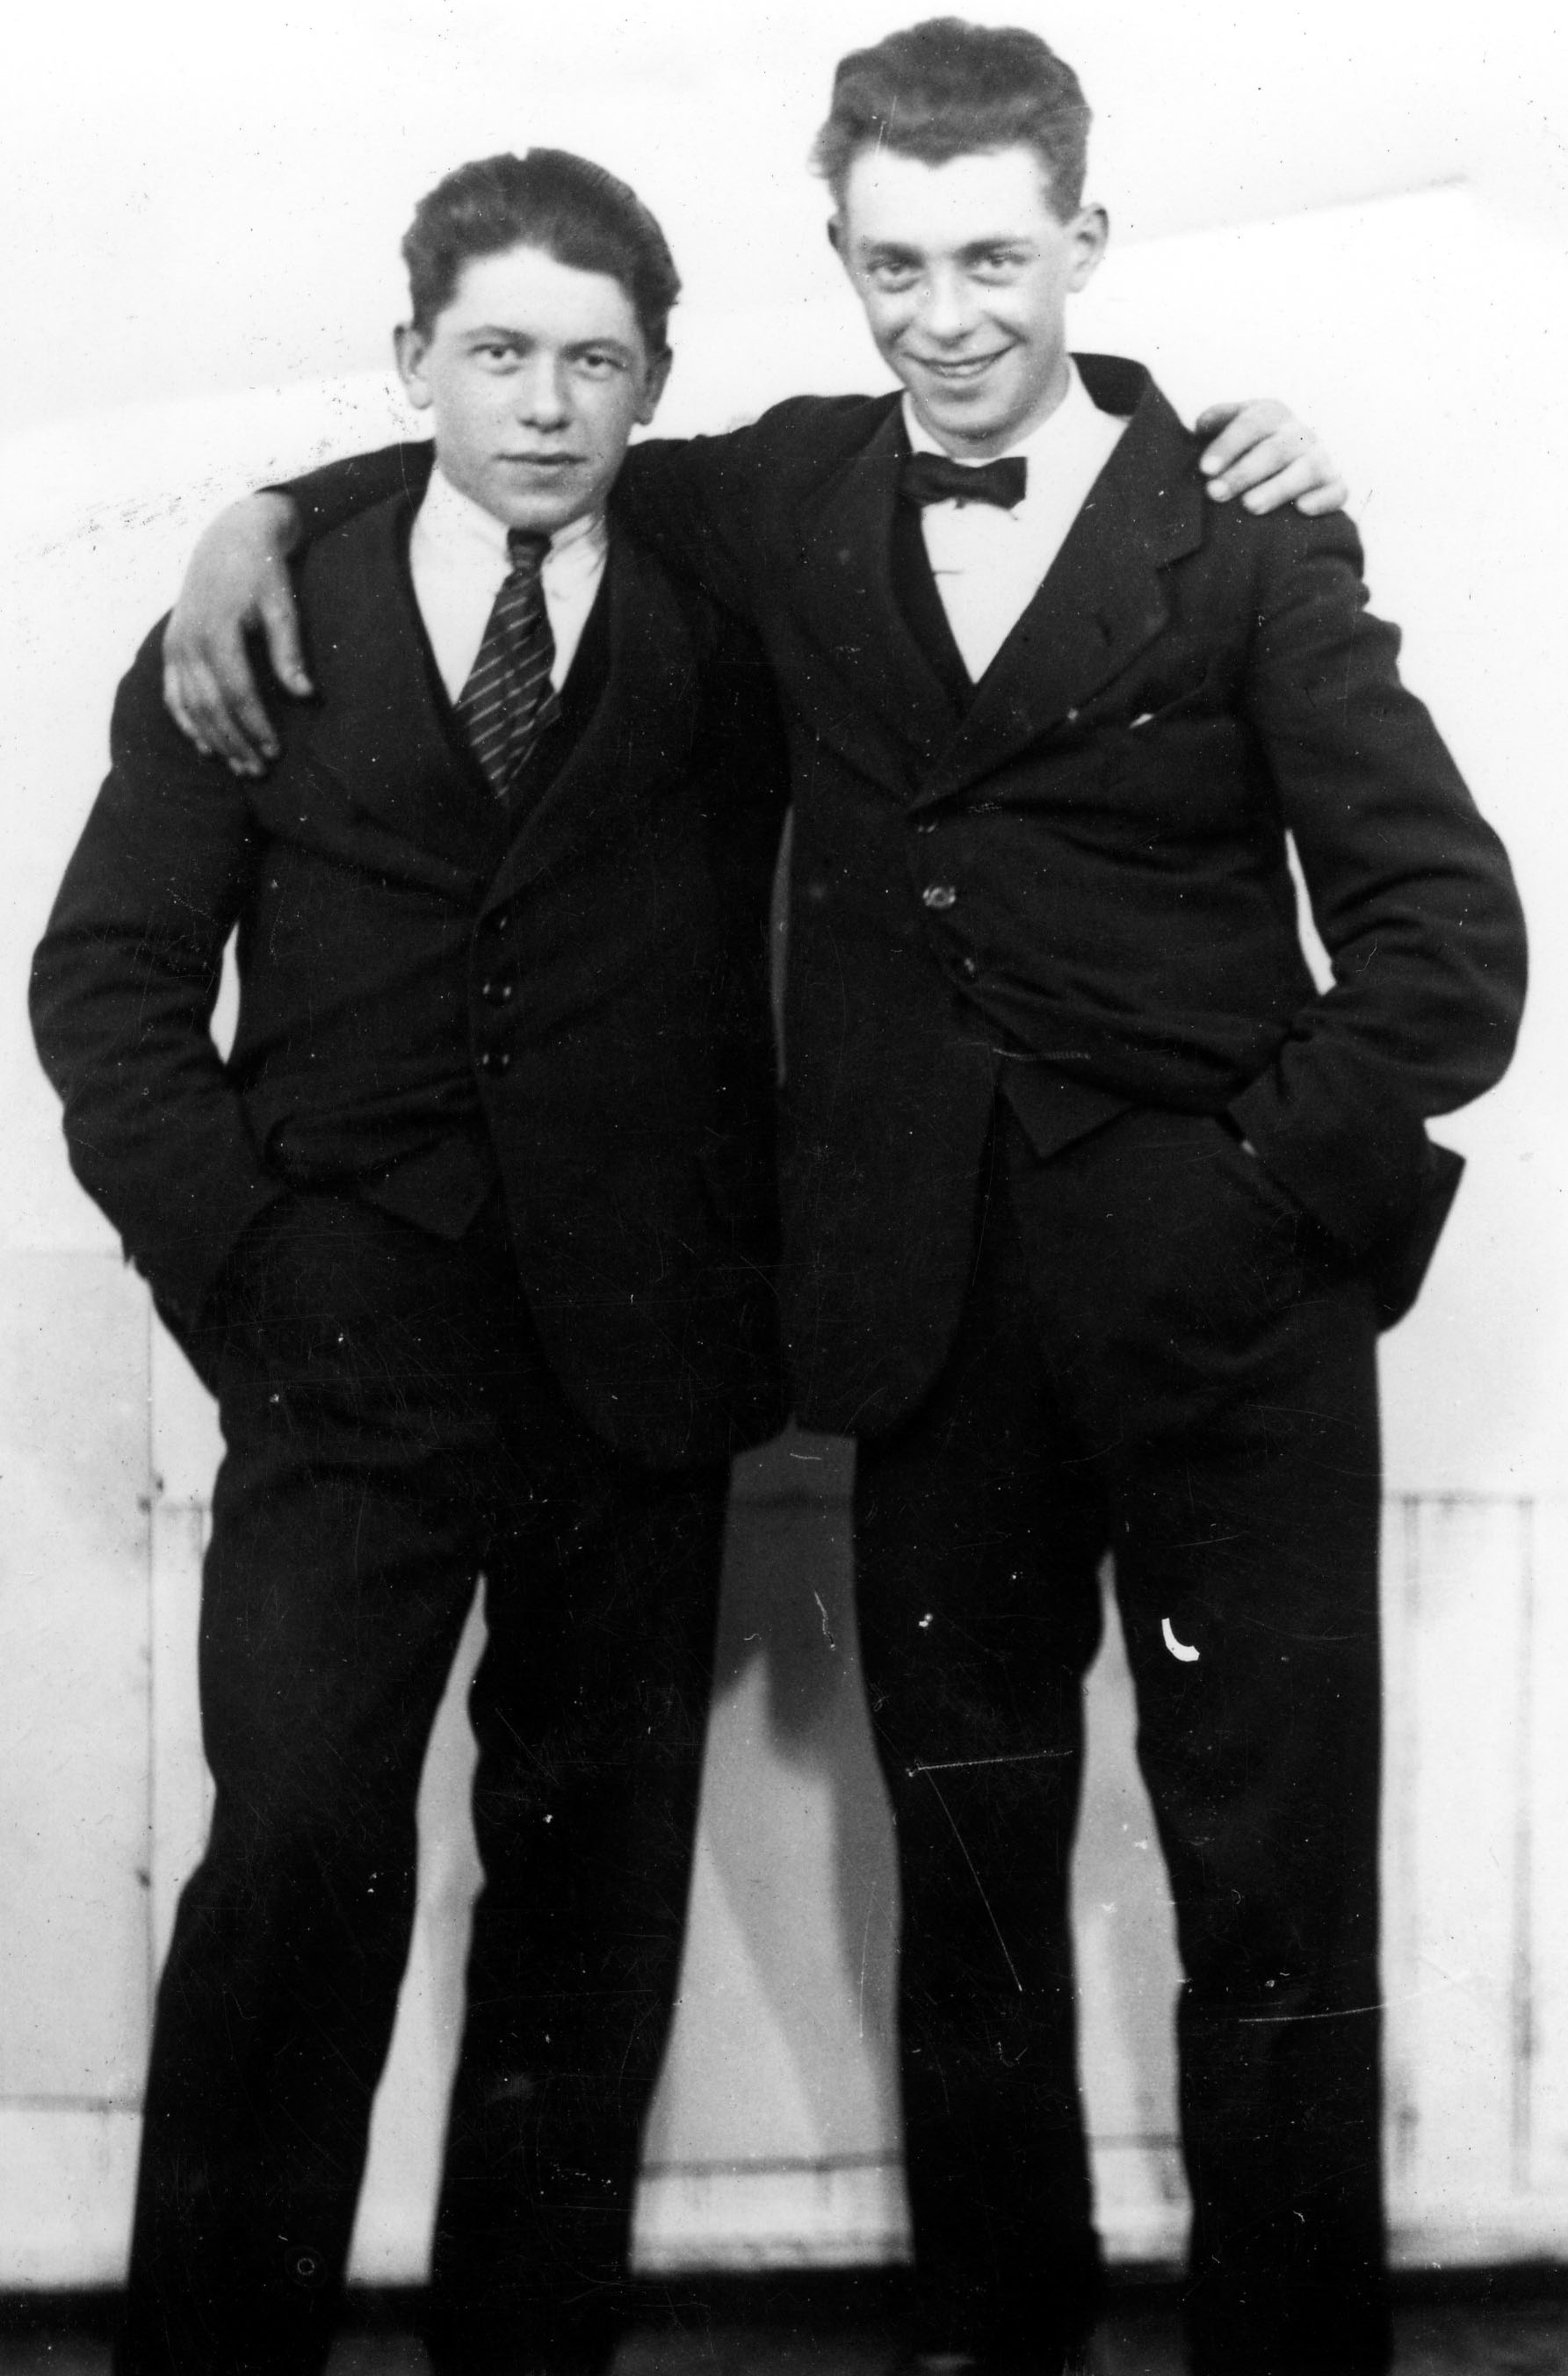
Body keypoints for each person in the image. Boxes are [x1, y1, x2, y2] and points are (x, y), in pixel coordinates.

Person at [157, 21, 1528, 2376]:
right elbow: (526, 437)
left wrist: (1245, 1189)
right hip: (923, 1327)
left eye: (994, 256)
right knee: (968, 1886)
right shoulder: (793, 490)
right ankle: (992, 2338)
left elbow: (1449, 946)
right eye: (894, 265)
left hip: (1225, 1329)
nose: (947, 314)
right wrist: (258, 516)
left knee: (1272, 1886)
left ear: (1085, 241)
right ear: (842, 257)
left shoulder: (1242, 532)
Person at [32, 149, 789, 2376]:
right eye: (495, 351)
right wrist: (257, 1274)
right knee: (293, 1862)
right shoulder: (259, 621)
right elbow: (106, 986)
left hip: (635, 1356)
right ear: (408, 361)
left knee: (591, 1886)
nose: (544, 404)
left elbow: (942, 442)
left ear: (654, 381)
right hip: (345, 1353)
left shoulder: (729, 608)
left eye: (595, 361)